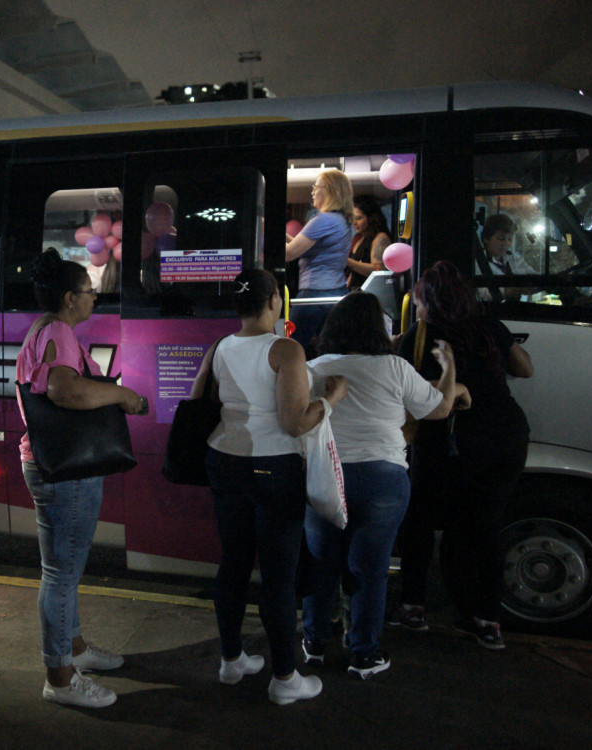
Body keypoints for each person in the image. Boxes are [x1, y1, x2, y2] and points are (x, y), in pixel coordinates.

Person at [197, 268, 346, 705]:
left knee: (234, 562)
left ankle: (231, 660)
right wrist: (331, 399)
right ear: (274, 302)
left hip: (224, 461)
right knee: (278, 576)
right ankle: (284, 678)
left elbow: (196, 399)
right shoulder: (285, 349)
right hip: (273, 468)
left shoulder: (221, 347)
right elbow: (295, 421)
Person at [302, 292, 466, 678]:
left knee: (321, 564)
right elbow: (439, 409)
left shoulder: (314, 367)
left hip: (327, 474)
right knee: (370, 569)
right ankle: (364, 654)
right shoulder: (395, 367)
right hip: (383, 481)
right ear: (379, 328)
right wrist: (450, 369)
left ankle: (314, 644)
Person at [16, 249, 147, 709]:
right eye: (90, 292)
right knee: (61, 574)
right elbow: (63, 390)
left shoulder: (47, 329)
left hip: (55, 465)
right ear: (70, 298)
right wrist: (122, 395)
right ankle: (61, 678)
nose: (95, 298)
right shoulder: (58, 332)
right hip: (64, 470)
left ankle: (74, 650)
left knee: (64, 571)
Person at [395, 261, 533, 648]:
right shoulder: (489, 326)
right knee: (485, 526)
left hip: (448, 442)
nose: (417, 307)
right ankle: (487, 620)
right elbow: (525, 370)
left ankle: (412, 606)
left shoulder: (421, 336)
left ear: (431, 302)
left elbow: (406, 387)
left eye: (419, 300)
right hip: (507, 438)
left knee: (420, 520)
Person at [284, 168, 354, 347]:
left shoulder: (322, 220)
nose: (313, 191)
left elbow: (289, 253)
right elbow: (303, 247)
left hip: (314, 294)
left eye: (316, 186)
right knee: (331, 349)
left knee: (290, 346)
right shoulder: (340, 220)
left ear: (331, 190)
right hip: (336, 292)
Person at [473, 214, 534, 301]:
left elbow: (530, 273)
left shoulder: (514, 258)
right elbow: (479, 293)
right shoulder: (477, 262)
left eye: (510, 239)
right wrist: (505, 291)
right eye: (501, 238)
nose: (506, 243)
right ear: (486, 238)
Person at [345, 195, 391, 290]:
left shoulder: (380, 238)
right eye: (352, 218)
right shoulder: (358, 238)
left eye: (358, 218)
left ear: (370, 217)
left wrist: (349, 262)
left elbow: (378, 271)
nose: (354, 222)